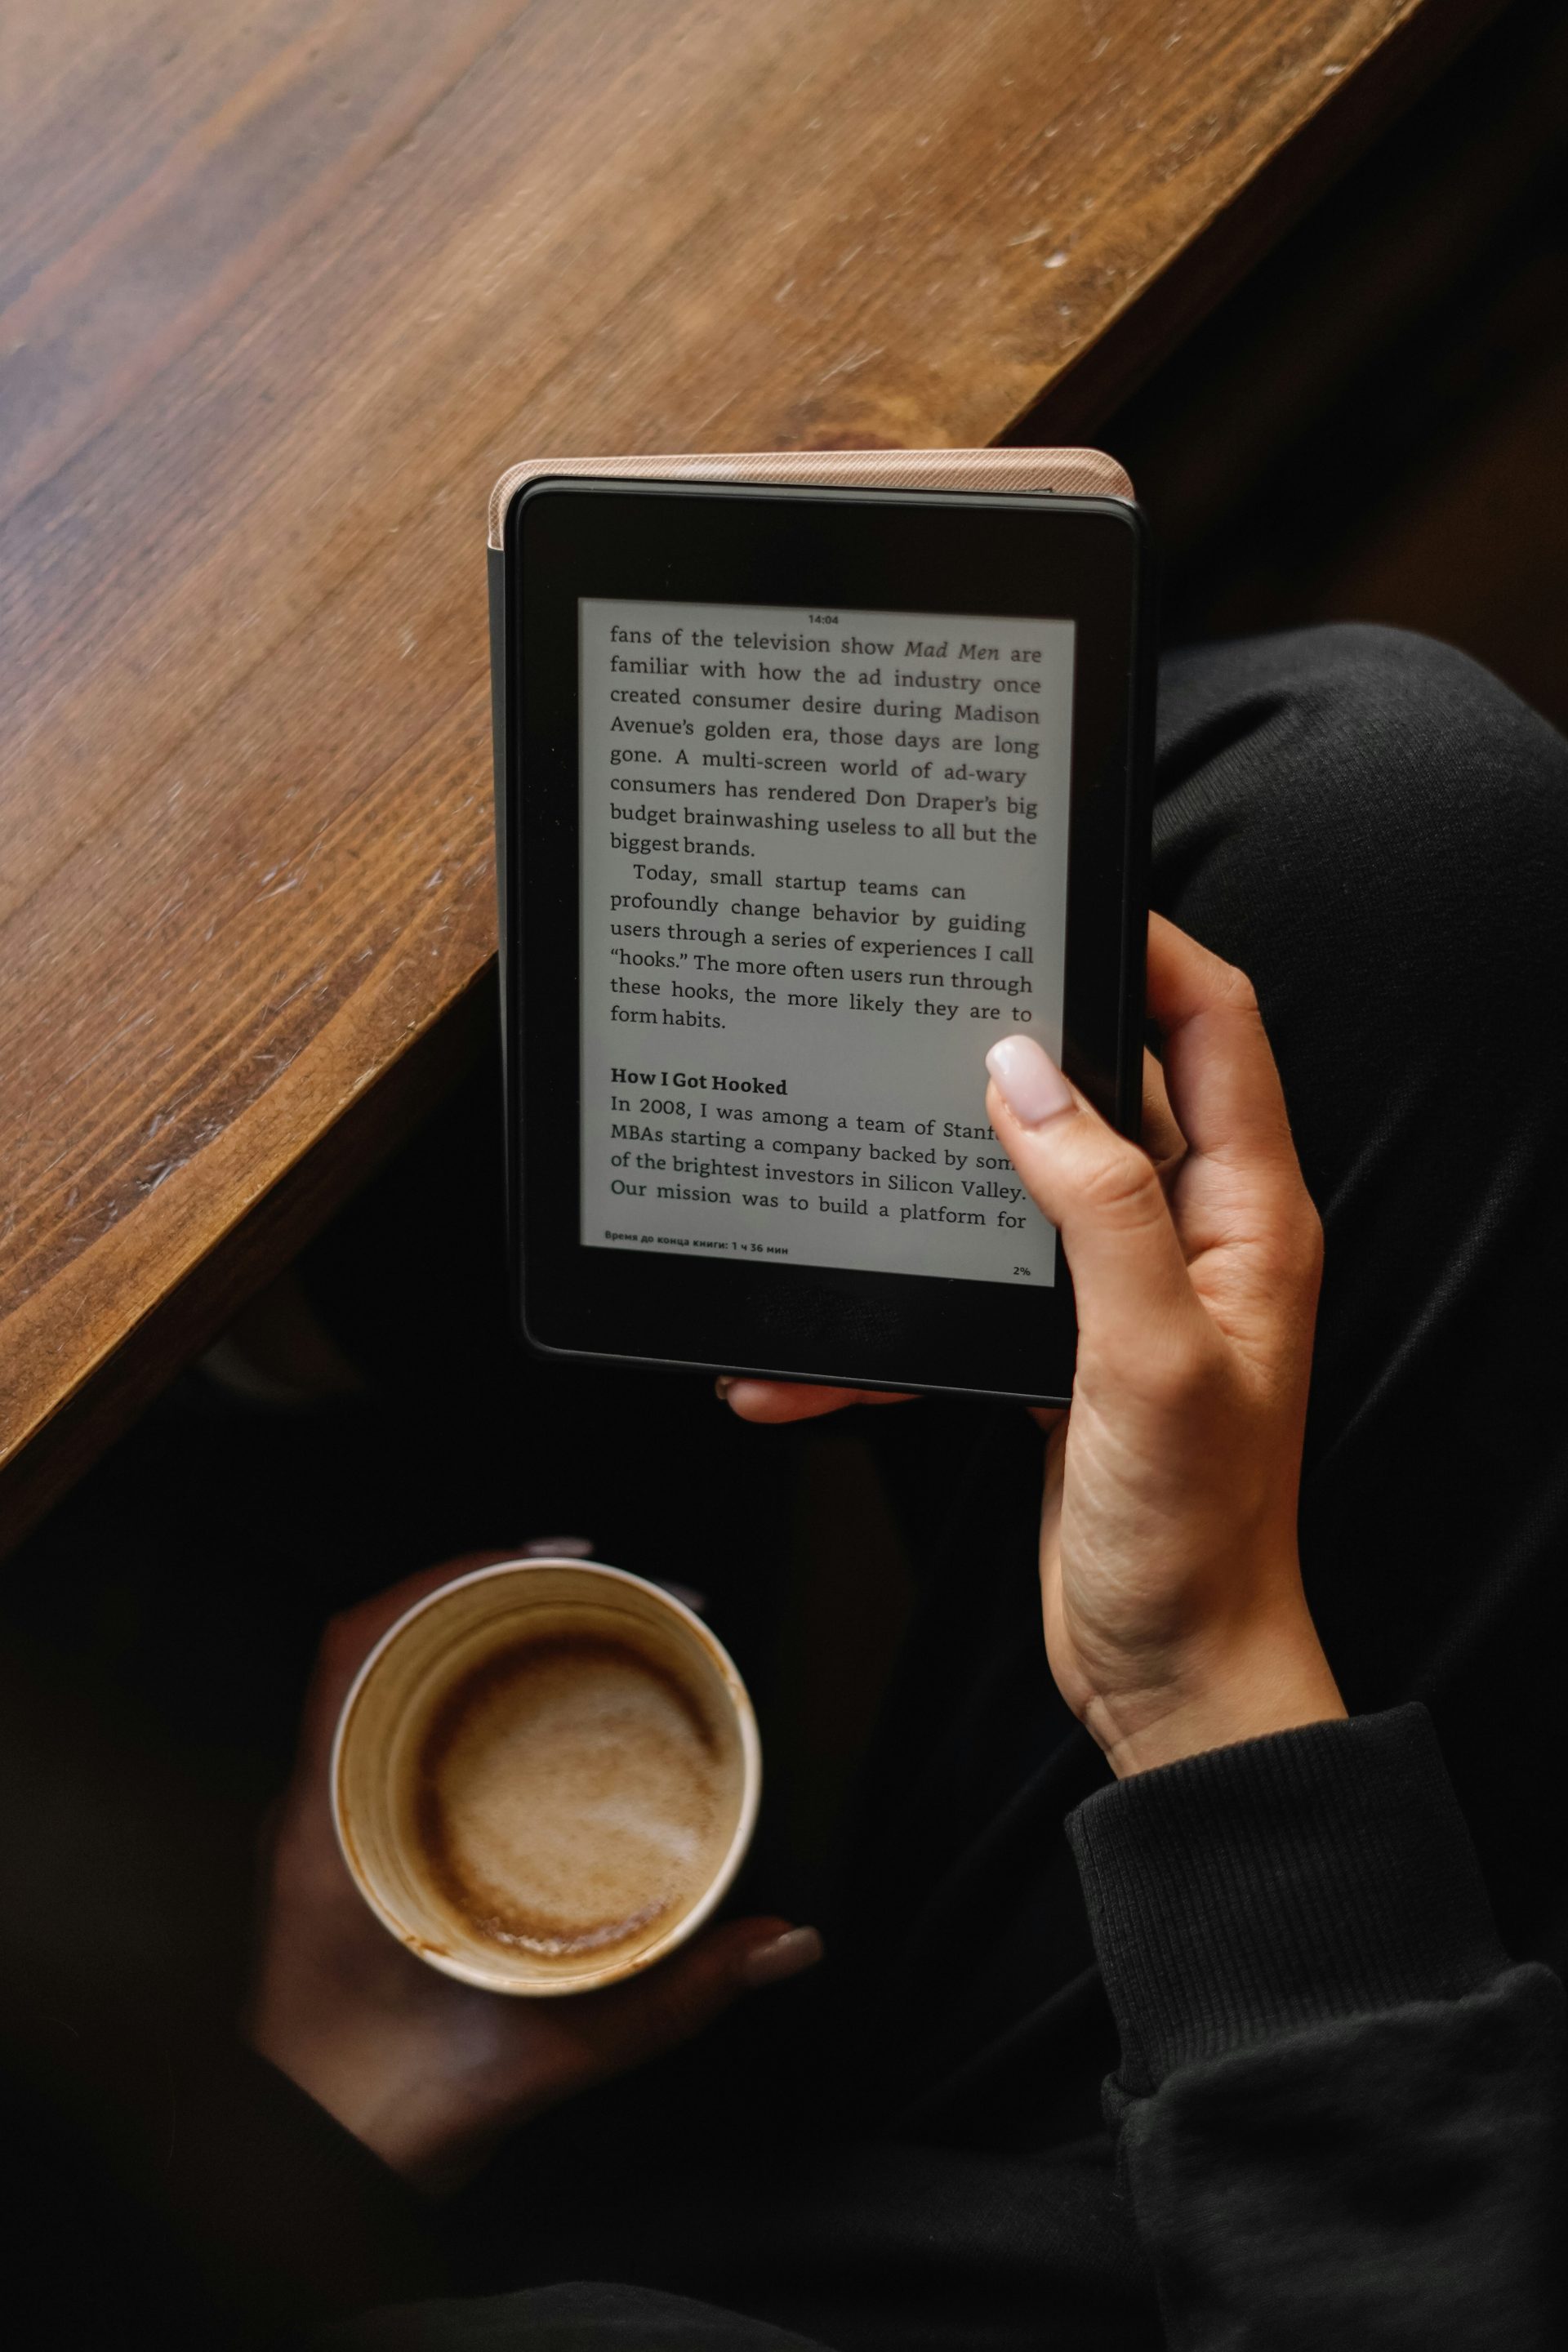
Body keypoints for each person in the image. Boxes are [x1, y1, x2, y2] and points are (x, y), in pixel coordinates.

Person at [49, 626, 1568, 2345]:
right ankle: (372, 1283)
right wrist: (1202, 1678)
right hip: (1308, 2220)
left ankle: (312, 1317)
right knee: (1388, 829)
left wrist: (328, 2131)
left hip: (625, 2261)